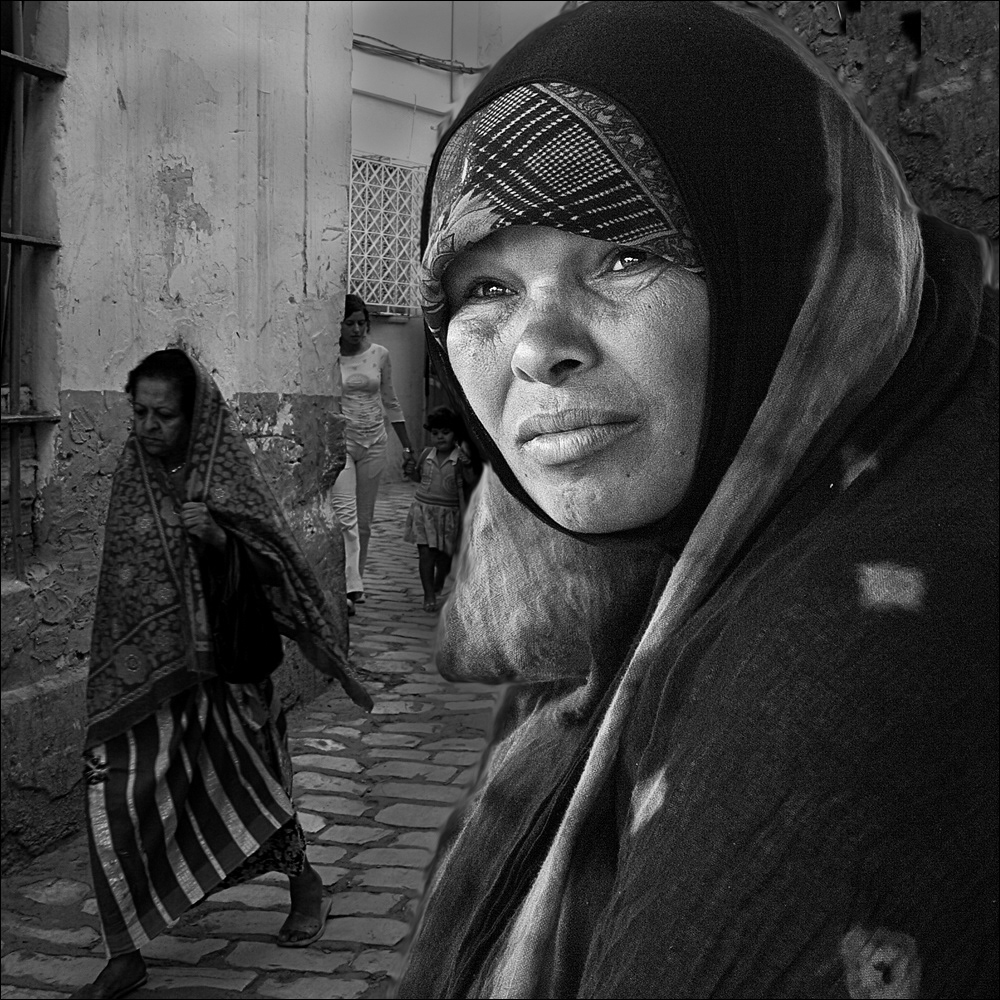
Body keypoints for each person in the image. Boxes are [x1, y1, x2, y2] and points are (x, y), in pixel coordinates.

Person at [394, 2, 998, 998]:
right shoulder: (627, 599)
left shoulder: (842, 668)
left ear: (788, 270)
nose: (539, 348)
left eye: (623, 254)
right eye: (486, 288)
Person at [75, 349, 371, 1000]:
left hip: (226, 675)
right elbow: (123, 578)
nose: (148, 427)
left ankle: (305, 884)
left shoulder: (226, 474)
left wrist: (217, 539)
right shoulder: (132, 468)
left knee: (252, 786)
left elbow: (274, 562)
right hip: (143, 679)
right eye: (139, 412)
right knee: (115, 793)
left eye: (163, 415)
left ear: (195, 416)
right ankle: (123, 953)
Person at [331, 293, 415, 612]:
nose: (356, 329)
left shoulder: (380, 354)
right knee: (346, 517)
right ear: (339, 325)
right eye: (349, 323)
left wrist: (407, 446)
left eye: (361, 323)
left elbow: (390, 400)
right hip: (343, 444)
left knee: (364, 521)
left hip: (374, 443)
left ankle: (357, 579)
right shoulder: (329, 357)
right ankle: (349, 586)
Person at [402, 405, 477, 612]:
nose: (440, 437)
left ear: (455, 434)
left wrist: (467, 465)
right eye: (435, 433)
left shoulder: (458, 458)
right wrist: (409, 470)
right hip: (423, 511)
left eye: (445, 432)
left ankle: (438, 582)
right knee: (426, 554)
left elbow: (470, 481)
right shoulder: (426, 454)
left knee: (444, 558)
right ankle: (428, 595)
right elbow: (418, 478)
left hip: (449, 514)